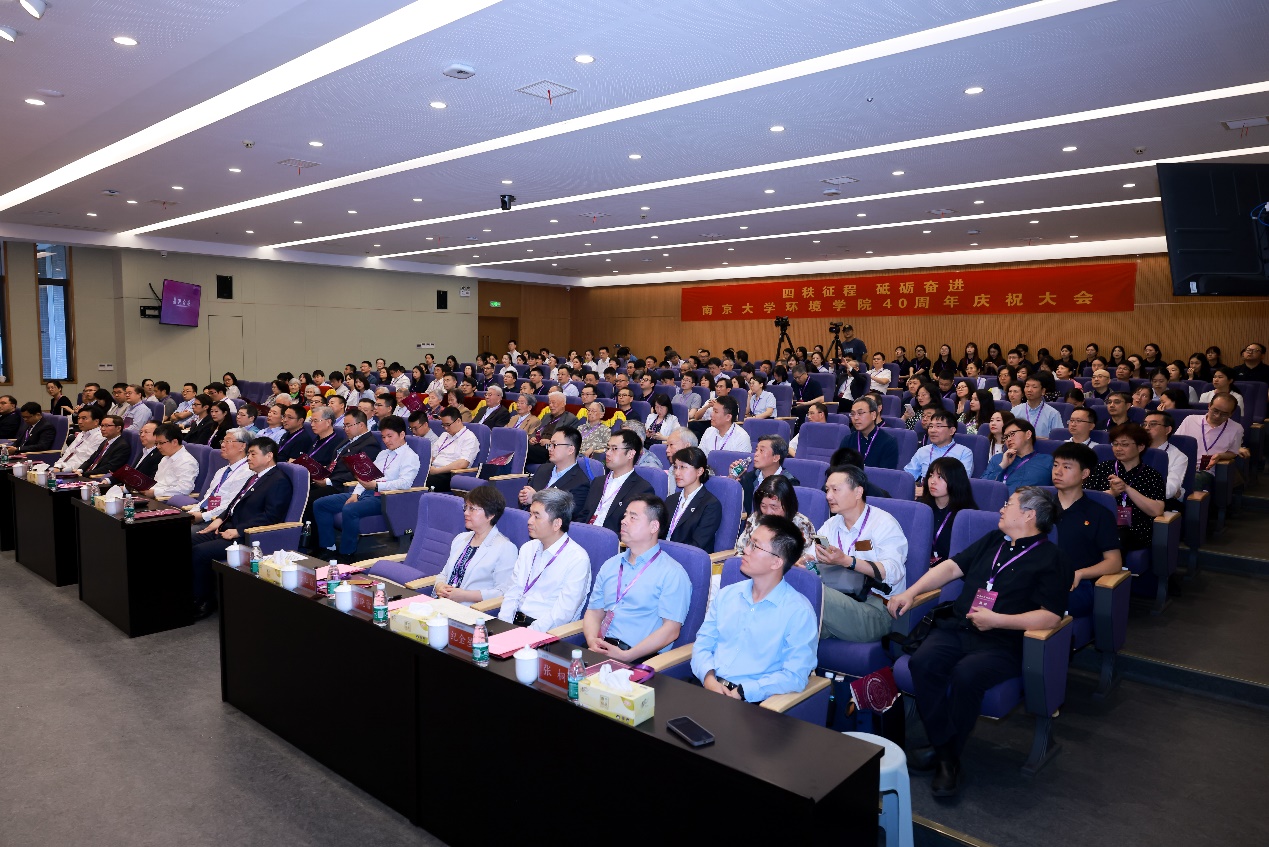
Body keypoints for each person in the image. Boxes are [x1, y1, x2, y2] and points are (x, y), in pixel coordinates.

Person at [889, 487, 1068, 797]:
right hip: (959, 627)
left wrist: (998, 620)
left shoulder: (1053, 558)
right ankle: (947, 753)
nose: (1001, 508)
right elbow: (951, 567)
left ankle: (944, 760)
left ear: (1029, 515)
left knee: (966, 675)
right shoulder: (994, 540)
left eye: (1009, 504)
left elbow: (1051, 617)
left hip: (1003, 640)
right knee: (922, 662)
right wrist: (911, 592)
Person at [691, 514, 819, 702]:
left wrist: (744, 692)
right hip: (707, 687)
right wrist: (708, 679)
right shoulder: (728, 594)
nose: (745, 550)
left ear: (776, 562)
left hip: (752, 702)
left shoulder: (799, 612)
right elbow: (703, 643)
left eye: (754, 546)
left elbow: (795, 675)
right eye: (748, 542)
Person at [190, 437, 295, 618]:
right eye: (248, 454)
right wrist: (219, 519)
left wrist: (239, 530)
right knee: (186, 538)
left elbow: (271, 517)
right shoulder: (255, 477)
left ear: (269, 456)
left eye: (253, 454)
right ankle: (190, 590)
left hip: (248, 536)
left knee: (200, 552)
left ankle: (204, 600)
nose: (248, 458)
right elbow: (234, 503)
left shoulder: (278, 481)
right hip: (228, 527)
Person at [584, 495, 692, 663]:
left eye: (633, 517)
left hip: (638, 658)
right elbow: (594, 611)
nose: (624, 521)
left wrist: (627, 656)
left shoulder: (673, 573)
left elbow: (671, 630)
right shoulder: (611, 564)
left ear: (653, 526)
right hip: (600, 648)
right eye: (625, 515)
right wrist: (592, 642)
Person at [808, 465, 908, 642]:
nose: (828, 496)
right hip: (838, 602)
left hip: (875, 608)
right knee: (794, 624)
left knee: (813, 591)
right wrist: (802, 562)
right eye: (827, 490)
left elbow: (893, 572)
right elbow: (811, 556)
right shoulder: (831, 525)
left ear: (858, 492)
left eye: (835, 490)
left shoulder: (883, 524)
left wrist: (847, 561)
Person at [313, 416, 419, 561]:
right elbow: (366, 476)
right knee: (320, 504)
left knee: (350, 509)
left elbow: (405, 483)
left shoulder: (410, 456)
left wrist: (377, 486)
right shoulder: (383, 453)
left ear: (402, 434)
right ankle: (328, 547)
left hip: (385, 498)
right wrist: (355, 494)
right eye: (383, 437)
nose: (386, 440)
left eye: (390, 436)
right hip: (367, 492)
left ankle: (346, 554)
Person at [498, 488, 592, 630]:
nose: (529, 521)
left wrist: (527, 633)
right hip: (514, 623)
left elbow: (562, 614)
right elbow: (513, 591)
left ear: (557, 524)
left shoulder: (577, 559)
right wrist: (503, 625)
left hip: (546, 631)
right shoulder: (528, 548)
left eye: (536, 516)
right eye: (530, 514)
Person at [1050, 443, 1122, 617]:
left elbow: (1114, 562)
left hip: (1076, 584)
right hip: (1038, 578)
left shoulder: (1099, 514)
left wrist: (1081, 574)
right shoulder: (1038, 508)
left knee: (1046, 607)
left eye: (1066, 467)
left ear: (1084, 473)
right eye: (1055, 465)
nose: (1058, 471)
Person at [432, 485, 519, 605]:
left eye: (472, 509)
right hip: (442, 603)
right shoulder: (460, 538)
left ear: (491, 515)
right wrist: (440, 586)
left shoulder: (505, 548)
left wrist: (465, 596)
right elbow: (444, 574)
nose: (466, 513)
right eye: (466, 507)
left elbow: (502, 592)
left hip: (471, 609)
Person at [1086, 423, 1166, 551]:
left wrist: (1127, 489)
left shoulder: (1152, 475)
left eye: (1124, 445)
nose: (1118, 448)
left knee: (1114, 538)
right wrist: (1112, 493)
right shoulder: (1102, 468)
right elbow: (1086, 499)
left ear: (1140, 447)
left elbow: (1156, 510)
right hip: (1101, 523)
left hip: (1135, 529)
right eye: (1115, 444)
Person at [578, 430, 656, 533]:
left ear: (630, 454)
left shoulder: (642, 490)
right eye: (608, 448)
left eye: (614, 449)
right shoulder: (598, 482)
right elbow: (583, 515)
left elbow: (633, 531)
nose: (607, 453)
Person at [184, 428, 255, 531]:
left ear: (242, 446)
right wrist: (192, 512)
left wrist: (203, 516)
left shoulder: (248, 472)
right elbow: (207, 497)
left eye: (228, 441)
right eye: (223, 441)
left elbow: (231, 505)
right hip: (204, 515)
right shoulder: (222, 471)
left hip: (219, 521)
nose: (222, 445)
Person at [517, 426, 592, 520]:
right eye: (550, 445)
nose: (550, 449)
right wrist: (523, 498)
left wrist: (535, 499)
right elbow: (526, 498)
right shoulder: (543, 469)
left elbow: (567, 517)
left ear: (570, 450)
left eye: (554, 445)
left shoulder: (581, 483)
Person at [735, 475, 817, 557]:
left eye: (774, 507)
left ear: (787, 505)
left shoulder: (802, 525)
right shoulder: (755, 518)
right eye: (763, 506)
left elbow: (804, 560)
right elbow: (740, 551)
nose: (768, 512)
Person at [1175, 394, 1245, 490]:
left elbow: (1233, 452)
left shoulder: (1236, 429)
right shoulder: (1190, 420)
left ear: (1231, 414)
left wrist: (1219, 456)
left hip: (1206, 470)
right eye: (1215, 411)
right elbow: (1177, 444)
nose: (1217, 416)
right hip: (1183, 465)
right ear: (1209, 406)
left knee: (1194, 479)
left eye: (1224, 414)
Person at [918, 457, 978, 564]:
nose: (933, 481)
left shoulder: (967, 515)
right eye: (931, 476)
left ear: (955, 480)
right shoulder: (921, 507)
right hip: (920, 565)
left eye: (940, 477)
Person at [662, 446, 723, 551]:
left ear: (699, 471)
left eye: (683, 467)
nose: (677, 473)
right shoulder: (671, 500)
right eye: (676, 467)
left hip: (687, 556)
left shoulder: (710, 505)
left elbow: (697, 545)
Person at [905, 410, 975, 486]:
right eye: (931, 426)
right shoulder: (922, 450)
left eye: (938, 426)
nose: (932, 430)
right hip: (921, 491)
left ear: (952, 431)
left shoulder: (964, 453)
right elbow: (907, 477)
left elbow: (960, 483)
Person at [981, 419, 1053, 493]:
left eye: (1012, 434)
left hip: (1032, 500)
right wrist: (1002, 466)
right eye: (1006, 437)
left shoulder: (1048, 461)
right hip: (1000, 500)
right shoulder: (998, 459)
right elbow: (982, 488)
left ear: (1028, 434)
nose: (1008, 439)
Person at [138, 424, 199, 499]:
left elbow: (184, 489)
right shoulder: (165, 458)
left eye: (161, 443)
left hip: (166, 500)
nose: (158, 447)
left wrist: (155, 492)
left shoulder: (187, 462)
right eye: (156, 443)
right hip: (155, 496)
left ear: (174, 442)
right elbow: (157, 482)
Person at [428, 406, 480, 492]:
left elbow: (463, 463)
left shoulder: (469, 438)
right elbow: (433, 455)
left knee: (426, 481)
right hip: (434, 470)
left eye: (448, 425)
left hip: (451, 474)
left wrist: (437, 471)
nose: (446, 428)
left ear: (458, 421)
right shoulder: (444, 435)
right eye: (443, 425)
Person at [840, 396, 899, 469]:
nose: (855, 418)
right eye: (852, 414)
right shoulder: (847, 440)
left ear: (873, 415)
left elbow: (886, 474)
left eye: (860, 413)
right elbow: (840, 469)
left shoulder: (888, 442)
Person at [1143, 410, 1187, 507]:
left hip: (1158, 505)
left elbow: (1169, 491)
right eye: (1145, 424)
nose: (1146, 428)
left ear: (1167, 430)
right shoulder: (1134, 449)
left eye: (1152, 424)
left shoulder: (1178, 457)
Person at [525, 391, 578, 465]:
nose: (550, 405)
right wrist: (532, 438)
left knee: (523, 448)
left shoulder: (570, 419)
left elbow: (567, 440)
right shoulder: (546, 416)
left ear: (563, 404)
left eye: (553, 403)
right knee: (521, 445)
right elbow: (536, 430)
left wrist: (550, 442)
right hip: (537, 446)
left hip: (550, 449)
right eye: (549, 403)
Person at [53, 407, 105, 472]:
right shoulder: (82, 433)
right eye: (79, 418)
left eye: (84, 418)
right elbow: (68, 452)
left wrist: (62, 470)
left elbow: (86, 461)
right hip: (64, 468)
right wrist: (57, 466)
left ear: (96, 422)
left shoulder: (100, 437)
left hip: (77, 472)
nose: (79, 422)